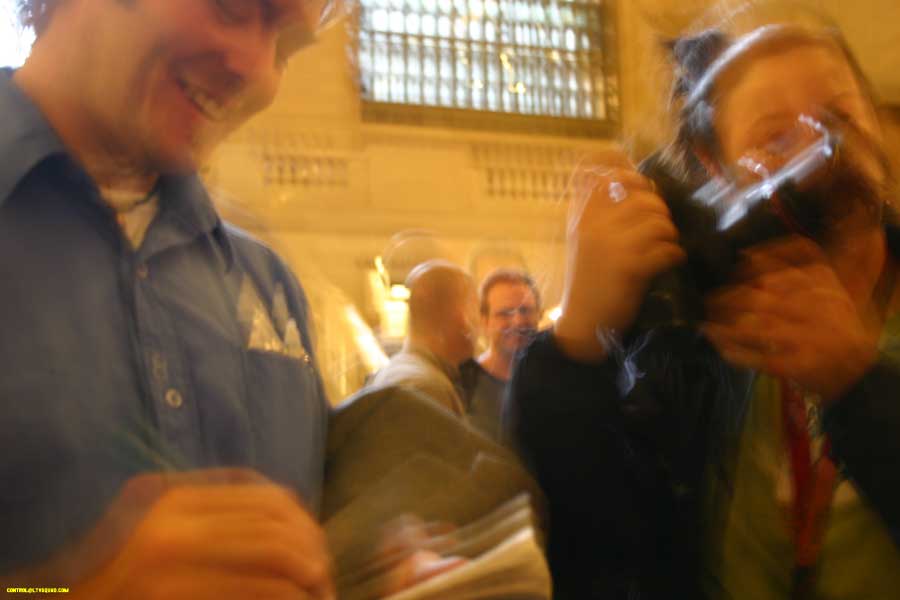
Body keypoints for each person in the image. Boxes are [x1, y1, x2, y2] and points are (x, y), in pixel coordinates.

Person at [506, 10, 900, 600]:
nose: (820, 145)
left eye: (839, 115)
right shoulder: (698, 341)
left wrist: (859, 387)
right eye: (774, 136)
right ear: (718, 169)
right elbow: (600, 545)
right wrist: (576, 343)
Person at [1, 0, 338, 597]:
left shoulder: (270, 288)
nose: (257, 72)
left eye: (286, 47)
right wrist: (69, 594)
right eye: (233, 7)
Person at [370, 260, 478, 417]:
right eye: (473, 309)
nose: (475, 328)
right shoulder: (429, 390)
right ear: (461, 316)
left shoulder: (391, 372)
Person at [460, 268, 540, 442]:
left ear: (538, 316)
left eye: (525, 311)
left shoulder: (552, 379)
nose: (518, 321)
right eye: (504, 313)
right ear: (484, 321)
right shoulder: (464, 382)